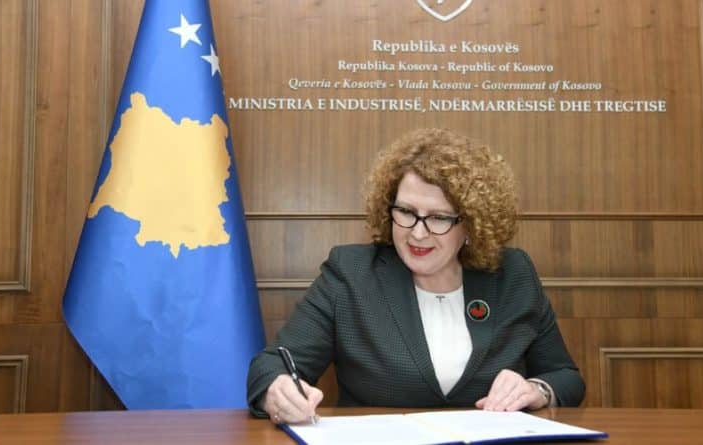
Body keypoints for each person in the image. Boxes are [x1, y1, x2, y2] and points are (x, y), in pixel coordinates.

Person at [247, 128, 585, 423]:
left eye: (439, 218)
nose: (418, 234)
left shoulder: (512, 274)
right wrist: (278, 391)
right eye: (407, 212)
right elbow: (271, 366)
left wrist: (536, 390)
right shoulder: (351, 273)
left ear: (471, 224)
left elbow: (565, 376)